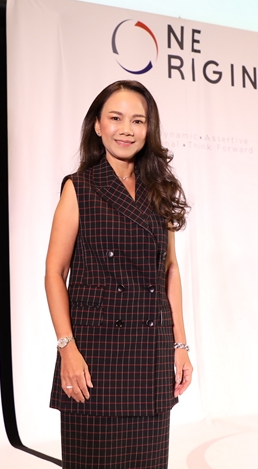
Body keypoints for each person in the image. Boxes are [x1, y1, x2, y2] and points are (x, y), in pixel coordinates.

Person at [45, 80, 192, 469]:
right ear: (97, 125)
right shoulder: (80, 188)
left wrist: (180, 345)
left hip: (150, 353)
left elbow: (169, 270)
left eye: (138, 121)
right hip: (95, 354)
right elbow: (55, 272)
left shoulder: (160, 189)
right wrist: (67, 348)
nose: (127, 129)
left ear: (149, 129)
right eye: (116, 118)